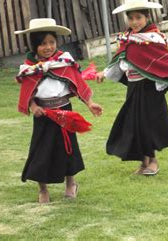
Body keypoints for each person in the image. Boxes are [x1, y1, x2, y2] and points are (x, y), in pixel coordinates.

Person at [96, 0, 168, 176]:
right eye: (131, 18)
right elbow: (118, 61)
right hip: (134, 88)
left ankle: (153, 161)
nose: (135, 22)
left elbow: (166, 62)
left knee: (148, 124)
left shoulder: (153, 38)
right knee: (135, 124)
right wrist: (104, 73)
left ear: (147, 17)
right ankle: (143, 161)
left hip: (149, 89)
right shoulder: (127, 39)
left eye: (138, 17)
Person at [15, 18, 103, 204]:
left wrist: (90, 103)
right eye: (43, 43)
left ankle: (71, 183)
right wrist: (33, 106)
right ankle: (42, 188)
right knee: (41, 150)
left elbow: (77, 84)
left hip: (64, 110)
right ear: (34, 45)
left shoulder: (64, 61)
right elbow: (28, 90)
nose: (48, 47)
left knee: (68, 147)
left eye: (52, 42)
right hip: (43, 114)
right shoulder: (29, 68)